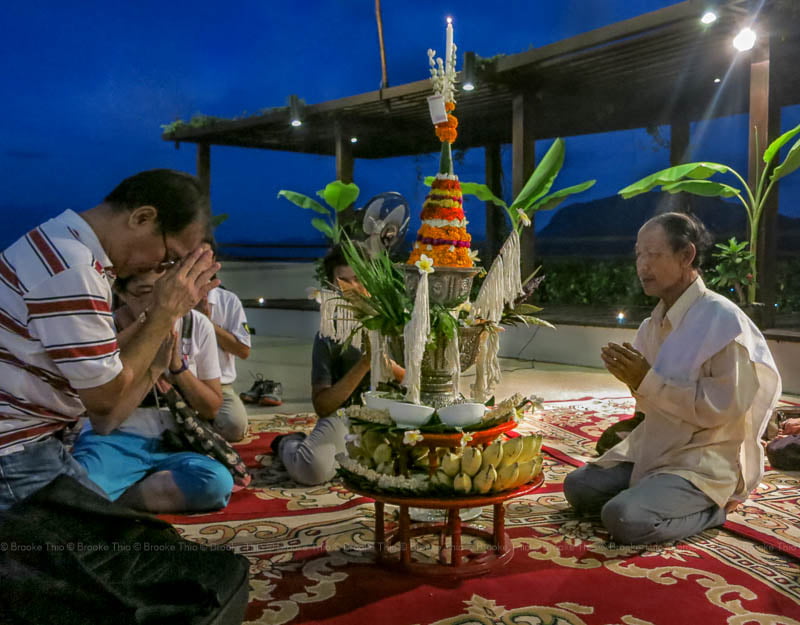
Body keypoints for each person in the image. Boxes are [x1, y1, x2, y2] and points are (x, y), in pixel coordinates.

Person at [0, 169, 219, 511]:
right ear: (142, 217)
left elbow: (107, 416)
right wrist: (163, 313)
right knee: (161, 560)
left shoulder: (64, 245)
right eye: (169, 256)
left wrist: (164, 321)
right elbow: (104, 402)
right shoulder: (73, 269)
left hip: (34, 445)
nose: (163, 268)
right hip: (15, 454)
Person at [563, 212, 781, 545]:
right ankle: (654, 492)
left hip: (702, 459)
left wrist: (647, 379)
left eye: (654, 254)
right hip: (656, 448)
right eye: (638, 254)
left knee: (623, 517)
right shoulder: (652, 326)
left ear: (686, 256)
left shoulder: (722, 322)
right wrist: (634, 381)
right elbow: (650, 405)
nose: (642, 265)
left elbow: (724, 411)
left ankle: (714, 509)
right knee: (578, 487)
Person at [71, 271, 232, 513]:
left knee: (215, 484)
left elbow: (211, 407)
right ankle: (112, 494)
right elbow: (104, 423)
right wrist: (154, 367)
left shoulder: (196, 325)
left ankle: (114, 499)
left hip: (177, 442)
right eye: (146, 292)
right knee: (81, 487)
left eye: (166, 292)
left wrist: (177, 367)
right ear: (121, 292)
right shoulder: (105, 332)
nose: (160, 303)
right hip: (112, 442)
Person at [275, 244, 404, 485]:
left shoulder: (396, 319)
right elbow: (323, 406)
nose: (352, 288)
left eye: (358, 279)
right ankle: (288, 444)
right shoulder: (329, 333)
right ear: (332, 286)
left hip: (396, 416)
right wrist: (364, 363)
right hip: (347, 417)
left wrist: (385, 364)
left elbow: (418, 384)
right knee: (312, 469)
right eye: (343, 281)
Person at [195, 240, 253, 441]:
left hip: (220, 387)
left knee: (234, 427)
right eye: (191, 256)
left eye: (203, 256)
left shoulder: (228, 301)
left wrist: (206, 323)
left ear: (214, 261)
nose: (197, 263)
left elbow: (243, 351)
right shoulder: (170, 297)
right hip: (180, 384)